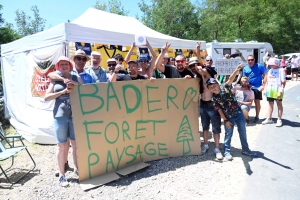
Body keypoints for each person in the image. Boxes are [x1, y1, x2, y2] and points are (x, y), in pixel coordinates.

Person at [44, 56, 82, 187]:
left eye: (66, 64)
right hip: (60, 116)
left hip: (75, 115)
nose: (64, 66)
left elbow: (85, 90)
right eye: (62, 64)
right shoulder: (54, 80)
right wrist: (63, 92)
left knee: (76, 144)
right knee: (62, 146)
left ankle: (78, 168)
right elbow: (46, 97)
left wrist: (74, 85)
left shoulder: (76, 77)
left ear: (70, 66)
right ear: (58, 67)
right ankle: (62, 175)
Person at [206, 64, 257, 161]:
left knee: (242, 132)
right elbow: (219, 110)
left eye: (214, 85)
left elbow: (230, 78)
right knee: (228, 134)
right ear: (209, 89)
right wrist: (226, 121)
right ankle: (227, 151)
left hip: (239, 113)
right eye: (210, 87)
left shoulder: (225, 87)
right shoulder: (214, 99)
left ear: (217, 84)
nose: (213, 88)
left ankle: (245, 149)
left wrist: (237, 70)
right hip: (228, 117)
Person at [194, 42, 222, 160]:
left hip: (212, 104)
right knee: (205, 126)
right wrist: (198, 49)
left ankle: (217, 148)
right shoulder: (204, 76)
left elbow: (201, 66)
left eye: (204, 69)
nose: (202, 70)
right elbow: (200, 64)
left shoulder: (211, 79)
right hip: (203, 104)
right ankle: (205, 145)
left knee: (216, 127)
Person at [243, 55, 267, 123]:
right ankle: (246, 117)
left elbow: (266, 74)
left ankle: (257, 116)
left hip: (257, 88)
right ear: (247, 61)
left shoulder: (259, 66)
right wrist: (247, 85)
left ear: (254, 60)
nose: (250, 61)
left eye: (252, 59)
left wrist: (263, 85)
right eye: (249, 60)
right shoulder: (245, 68)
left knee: (257, 102)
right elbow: (244, 78)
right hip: (248, 88)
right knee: (247, 103)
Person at [261, 58, 286, 127]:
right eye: (270, 64)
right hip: (270, 90)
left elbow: (283, 82)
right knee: (270, 104)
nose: (270, 65)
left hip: (278, 90)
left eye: (272, 64)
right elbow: (267, 81)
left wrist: (280, 91)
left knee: (279, 104)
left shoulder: (281, 70)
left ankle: (279, 119)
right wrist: (265, 89)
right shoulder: (270, 71)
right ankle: (269, 118)